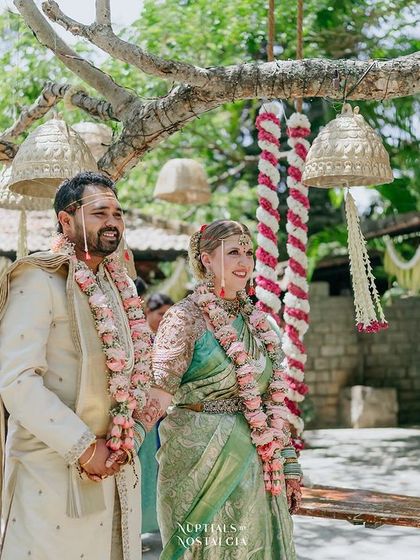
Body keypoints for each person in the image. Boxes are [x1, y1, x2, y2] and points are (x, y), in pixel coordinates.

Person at [0, 171, 153, 560]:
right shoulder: (38, 277)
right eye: (100, 212)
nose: (113, 223)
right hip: (51, 468)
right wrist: (84, 449)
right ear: (66, 221)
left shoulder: (119, 288)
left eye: (118, 214)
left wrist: (128, 434)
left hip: (115, 467)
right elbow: (16, 381)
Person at [134, 220, 302, 559]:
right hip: (198, 463)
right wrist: (123, 442)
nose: (244, 261)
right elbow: (158, 396)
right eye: (233, 252)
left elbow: (273, 400)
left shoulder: (260, 324)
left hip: (258, 465)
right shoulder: (184, 319)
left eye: (248, 253)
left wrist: (289, 462)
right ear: (206, 259)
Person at [138, 294, 174, 539]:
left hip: (165, 418)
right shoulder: (140, 339)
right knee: (145, 470)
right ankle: (137, 526)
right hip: (143, 417)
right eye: (161, 314)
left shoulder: (172, 341)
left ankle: (158, 523)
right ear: (148, 313)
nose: (164, 319)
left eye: (168, 315)